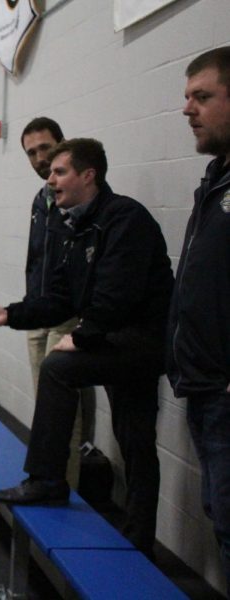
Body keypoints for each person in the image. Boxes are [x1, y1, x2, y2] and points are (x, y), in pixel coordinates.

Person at [0, 138, 174, 555]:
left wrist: (81, 337)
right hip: (117, 341)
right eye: (50, 173)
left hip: (140, 344)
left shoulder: (125, 219)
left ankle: (48, 481)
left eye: (59, 172)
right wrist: (8, 314)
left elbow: (118, 297)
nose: (50, 179)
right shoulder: (74, 227)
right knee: (133, 439)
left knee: (61, 371)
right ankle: (135, 539)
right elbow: (60, 299)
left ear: (89, 175)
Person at [170, 46, 230, 584]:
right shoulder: (215, 181)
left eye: (203, 97)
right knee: (221, 515)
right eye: (187, 97)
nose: (188, 109)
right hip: (207, 388)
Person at [20, 117, 95, 490]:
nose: (38, 158)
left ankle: (66, 491)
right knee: (44, 406)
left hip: (66, 316)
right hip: (38, 312)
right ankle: (50, 481)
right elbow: (36, 257)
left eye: (45, 149)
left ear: (62, 144)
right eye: (31, 153)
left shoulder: (81, 199)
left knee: (62, 407)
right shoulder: (41, 200)